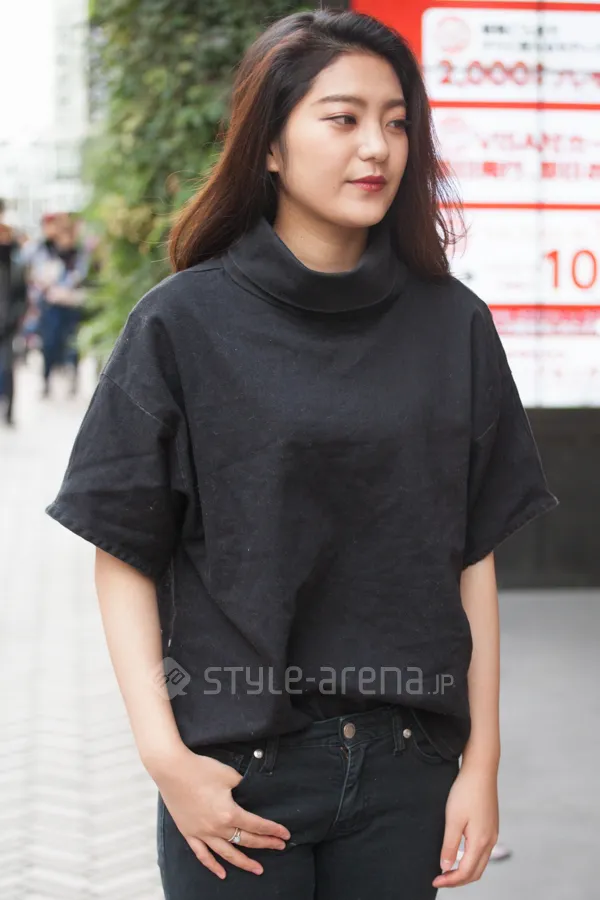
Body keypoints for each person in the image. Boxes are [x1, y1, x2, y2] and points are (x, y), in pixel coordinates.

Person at [44, 10, 559, 899]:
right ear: (271, 147)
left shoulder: (454, 325)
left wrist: (482, 763)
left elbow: (471, 556)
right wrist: (166, 758)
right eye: (343, 118)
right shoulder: (181, 323)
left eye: (396, 122)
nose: (377, 147)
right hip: (238, 778)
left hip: (407, 768)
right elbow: (124, 549)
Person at [34, 213, 89, 397]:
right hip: (51, 306)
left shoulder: (79, 254)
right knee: (49, 343)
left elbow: (83, 276)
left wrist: (69, 291)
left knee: (72, 343)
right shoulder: (47, 251)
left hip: (71, 305)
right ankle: (46, 379)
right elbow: (38, 276)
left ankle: (73, 378)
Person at [0, 199, 28, 425]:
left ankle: (8, 411)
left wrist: (14, 319)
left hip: (8, 327)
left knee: (7, 368)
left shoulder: (17, 267)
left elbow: (22, 298)